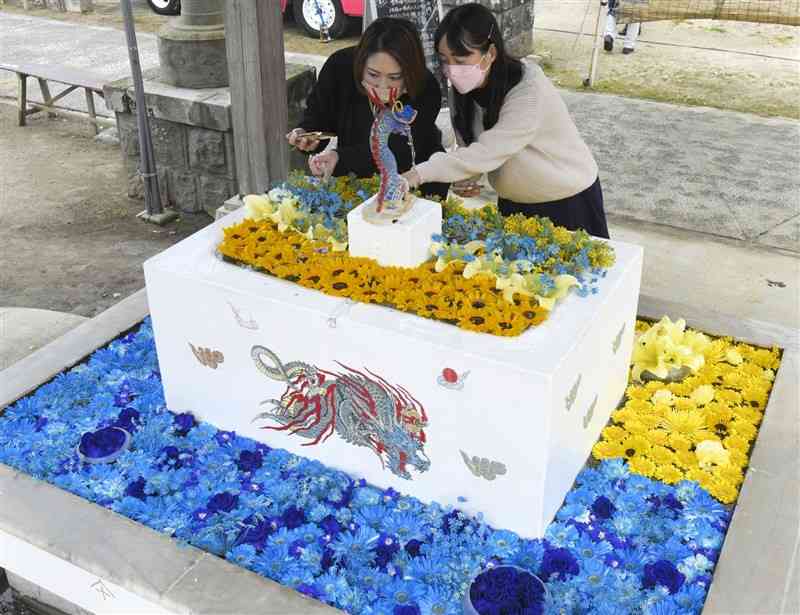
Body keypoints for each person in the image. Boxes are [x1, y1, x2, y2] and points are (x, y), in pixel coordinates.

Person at [403, 3, 609, 238]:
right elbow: (471, 149)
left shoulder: (528, 91)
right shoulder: (464, 90)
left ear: (490, 54)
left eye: (461, 60)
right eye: (444, 60)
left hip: (567, 203)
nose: (451, 69)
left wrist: (417, 174)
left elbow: (490, 150)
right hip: (514, 205)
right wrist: (468, 177)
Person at [286, 17, 449, 200]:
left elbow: (399, 148)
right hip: (355, 181)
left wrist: (341, 158)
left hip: (415, 181)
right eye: (373, 74)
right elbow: (320, 115)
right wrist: (308, 134)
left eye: (395, 77)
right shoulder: (340, 67)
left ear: (410, 73)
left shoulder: (424, 87)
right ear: (360, 63)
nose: (383, 86)